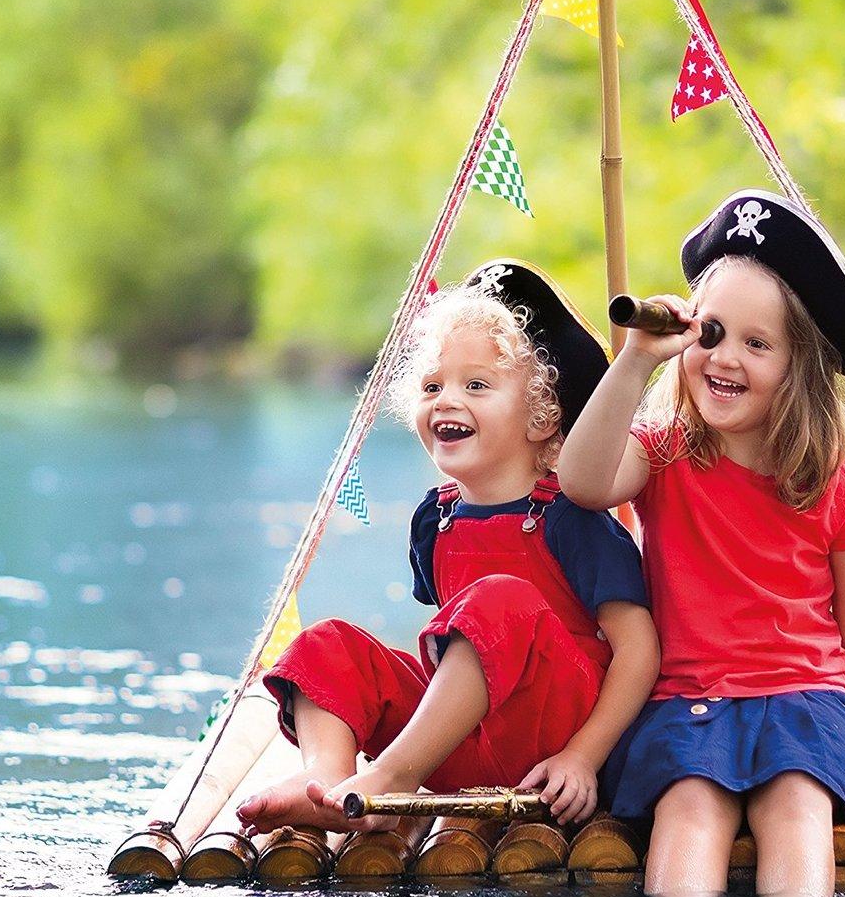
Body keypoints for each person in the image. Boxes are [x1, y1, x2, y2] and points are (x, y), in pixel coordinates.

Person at [558, 190, 845, 897]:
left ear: (799, 366)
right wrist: (635, 362)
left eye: (757, 344)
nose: (725, 359)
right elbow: (582, 482)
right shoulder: (663, 451)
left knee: (798, 803)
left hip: (808, 700)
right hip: (688, 703)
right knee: (688, 808)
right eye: (712, 333)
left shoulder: (837, 482)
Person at [235, 260, 658, 832]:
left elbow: (639, 651)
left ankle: (392, 775)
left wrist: (584, 756)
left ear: (541, 416)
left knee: (498, 600)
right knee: (326, 643)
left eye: (475, 385)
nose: (445, 401)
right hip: (466, 743)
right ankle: (328, 779)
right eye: (432, 386)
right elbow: (453, 655)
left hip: (551, 742)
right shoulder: (435, 519)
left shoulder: (572, 518)